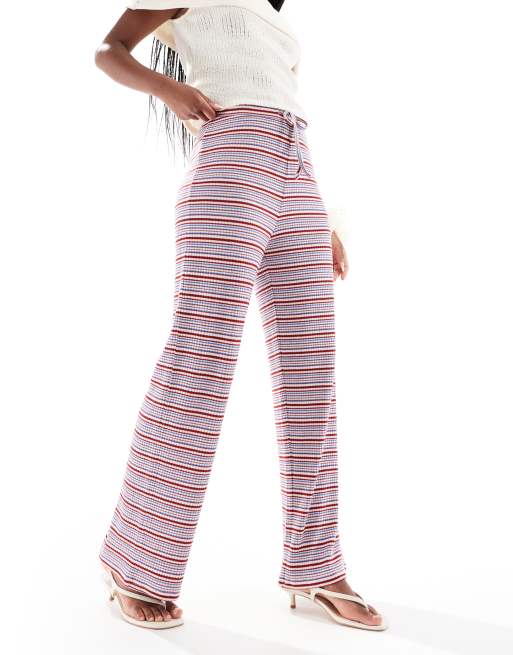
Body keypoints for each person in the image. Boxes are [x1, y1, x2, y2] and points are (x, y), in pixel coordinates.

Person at [94, 0, 387, 632]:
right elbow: (109, 51)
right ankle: (136, 563)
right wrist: (172, 91)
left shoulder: (281, 20)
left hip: (297, 174)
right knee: (200, 362)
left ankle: (316, 564)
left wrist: (323, 219)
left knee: (311, 373)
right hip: (231, 163)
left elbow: (281, 100)